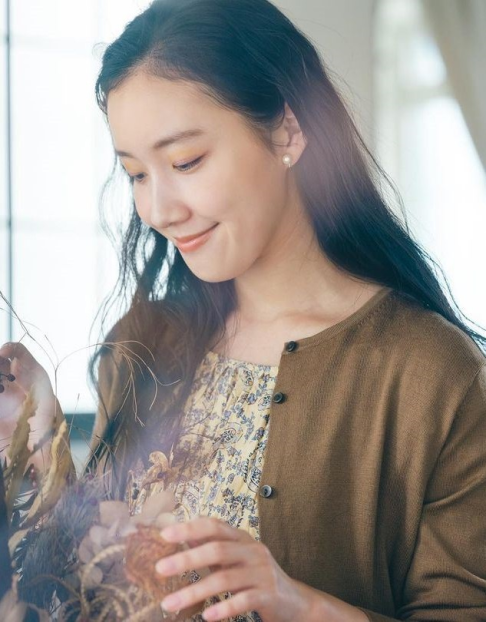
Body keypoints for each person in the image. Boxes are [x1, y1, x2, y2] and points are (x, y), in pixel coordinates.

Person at [1, 0, 486, 619]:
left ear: (286, 130)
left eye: (185, 162)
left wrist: (300, 605)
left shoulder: (429, 373)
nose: (158, 210)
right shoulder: (145, 339)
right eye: (135, 174)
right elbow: (89, 588)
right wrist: (37, 443)